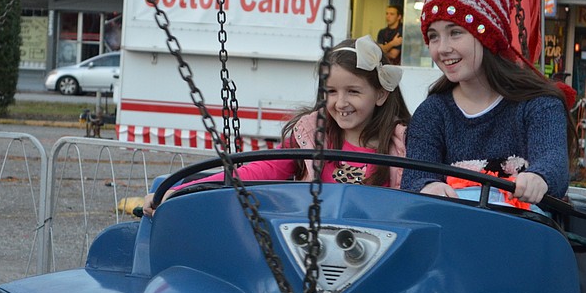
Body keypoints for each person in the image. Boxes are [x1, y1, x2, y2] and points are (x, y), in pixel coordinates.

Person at [142, 35, 410, 216]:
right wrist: (185, 191)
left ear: (380, 94)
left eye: (353, 91)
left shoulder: (402, 146)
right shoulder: (311, 136)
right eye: (331, 91)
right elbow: (263, 168)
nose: (340, 102)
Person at [400, 0, 576, 207]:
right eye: (433, 37)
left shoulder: (539, 104)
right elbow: (415, 176)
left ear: (488, 37)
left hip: (523, 226)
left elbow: (553, 162)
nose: (442, 48)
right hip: (451, 226)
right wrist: (427, 186)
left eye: (455, 33)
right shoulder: (432, 112)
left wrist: (539, 177)